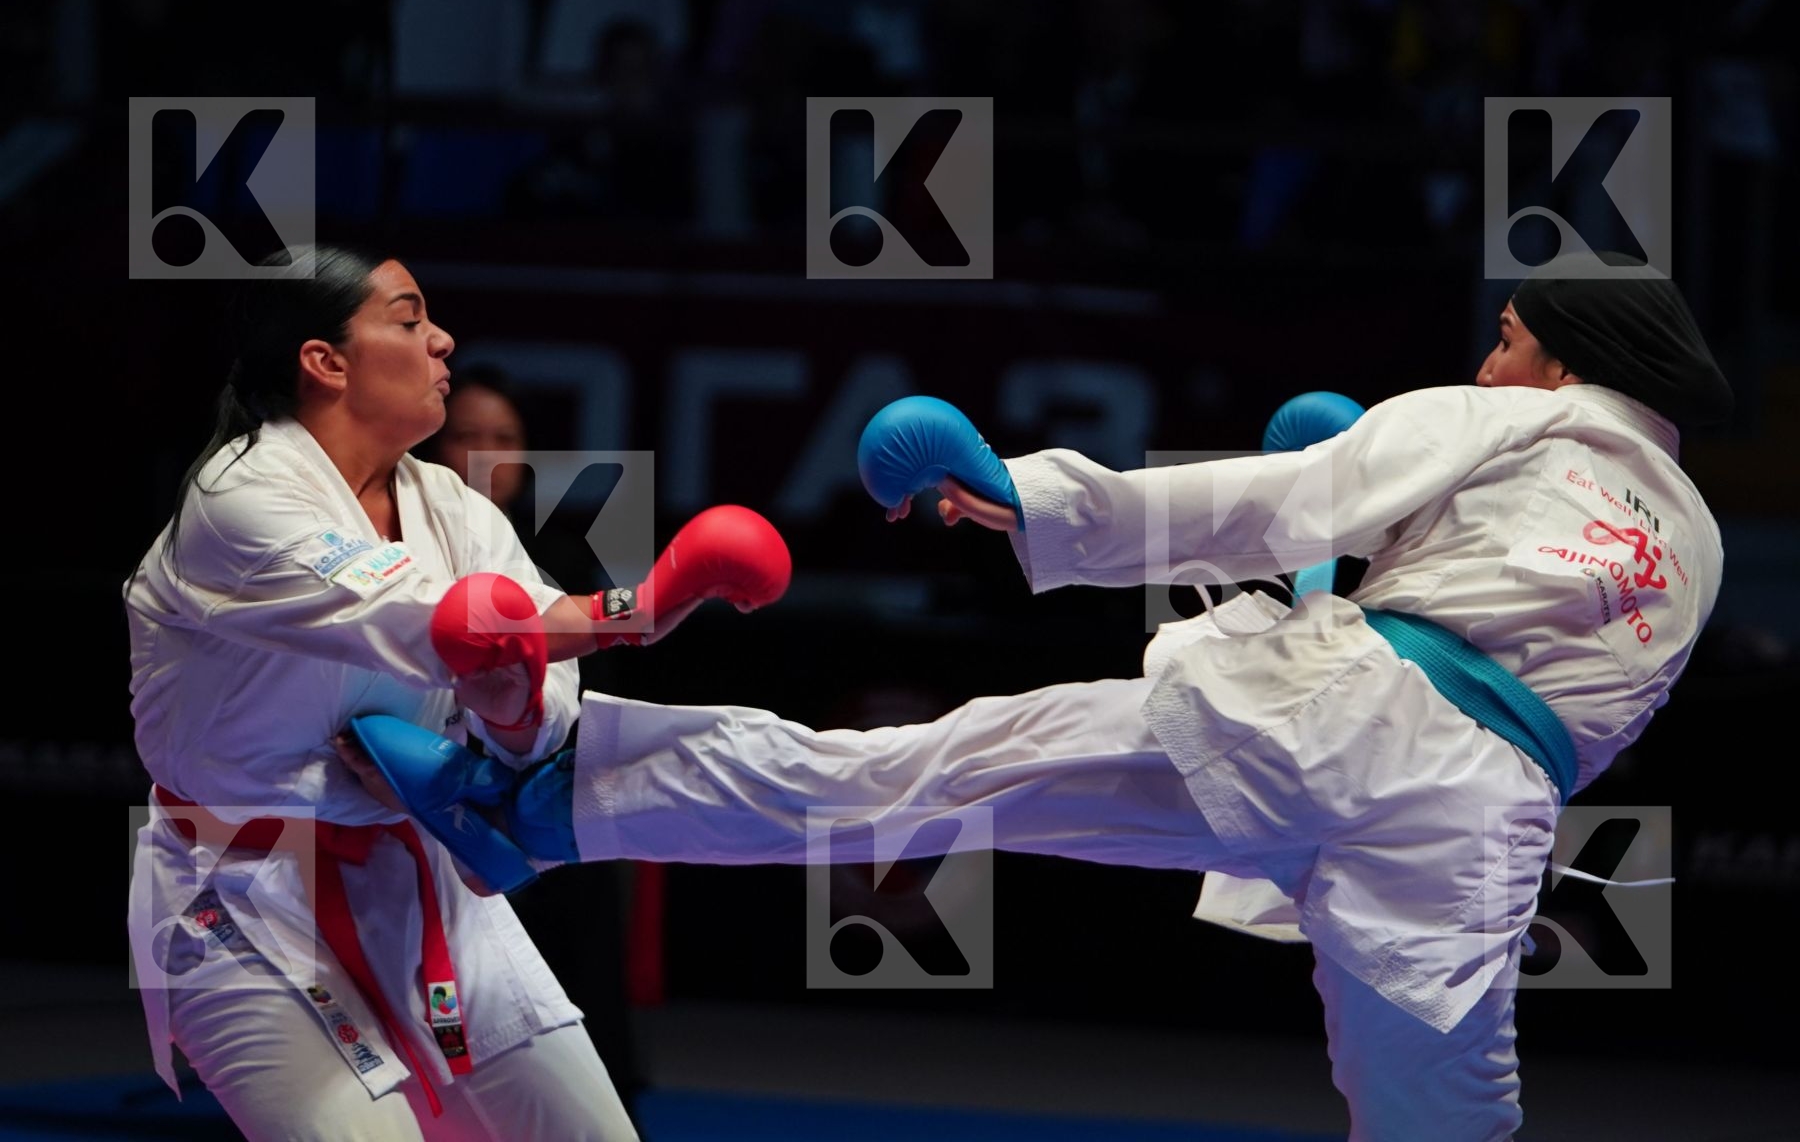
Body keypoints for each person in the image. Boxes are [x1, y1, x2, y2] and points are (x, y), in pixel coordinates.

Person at [349, 251, 1731, 1140]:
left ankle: (540, 803)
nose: (1489, 362)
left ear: (1565, 361)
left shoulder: (1517, 415)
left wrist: (1033, 501)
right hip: (1474, 824)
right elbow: (1538, 693)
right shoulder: (1700, 544)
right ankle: (542, 804)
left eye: (1507, 338)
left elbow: (1293, 495)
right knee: (1448, 1124)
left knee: (914, 775)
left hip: (1328, 730)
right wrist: (1328, 596)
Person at [123, 244, 789, 1142]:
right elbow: (432, 620)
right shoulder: (240, 496)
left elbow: (543, 707)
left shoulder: (455, 508)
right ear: (325, 362)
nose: (441, 340)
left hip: (420, 879)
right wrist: (640, 606)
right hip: (242, 897)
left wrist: (514, 709)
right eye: (408, 320)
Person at [418, 362, 648, 1124]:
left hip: (550, 805)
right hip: (440, 807)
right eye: (468, 436)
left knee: (576, 975)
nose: (487, 454)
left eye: (505, 438)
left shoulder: (568, 564)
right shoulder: (403, 551)